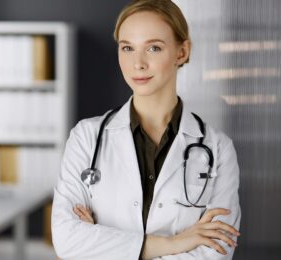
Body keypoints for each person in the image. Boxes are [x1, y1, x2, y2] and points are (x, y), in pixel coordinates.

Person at [51, 0, 241, 259]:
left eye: (153, 48)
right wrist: (175, 243)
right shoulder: (86, 137)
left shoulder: (218, 148)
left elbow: (216, 251)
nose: (137, 63)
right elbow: (66, 240)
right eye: (127, 48)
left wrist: (101, 243)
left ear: (182, 52)